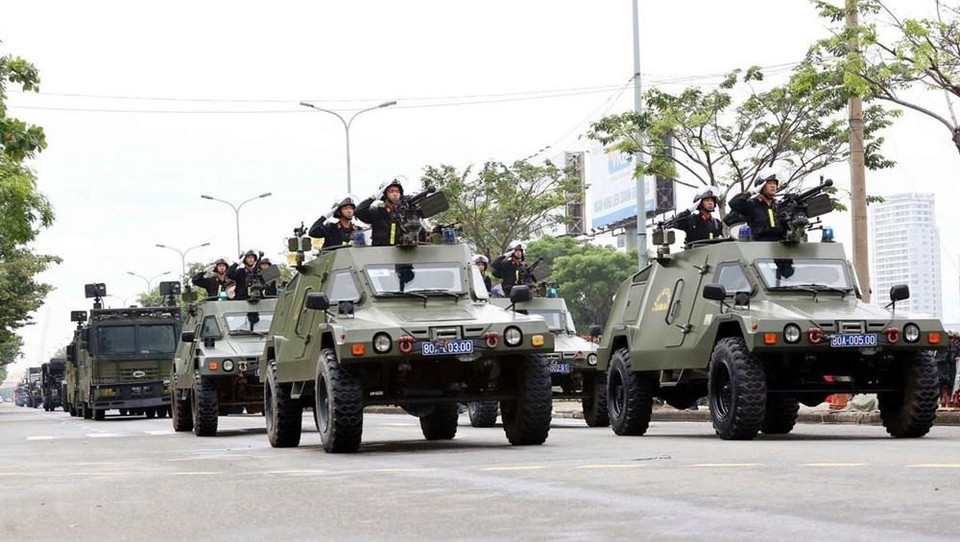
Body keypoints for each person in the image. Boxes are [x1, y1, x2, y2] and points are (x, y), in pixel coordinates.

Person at [728, 173, 784, 241]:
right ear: (760, 186)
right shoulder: (752, 204)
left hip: (779, 244)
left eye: (774, 183)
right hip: (759, 244)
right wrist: (752, 192)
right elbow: (733, 203)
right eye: (769, 183)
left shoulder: (779, 206)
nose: (773, 186)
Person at [355, 178, 409, 247]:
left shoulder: (403, 213)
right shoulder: (377, 212)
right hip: (381, 253)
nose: (395, 194)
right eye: (391, 191)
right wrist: (374, 197)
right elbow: (358, 211)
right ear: (384, 194)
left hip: (399, 253)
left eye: (397, 191)